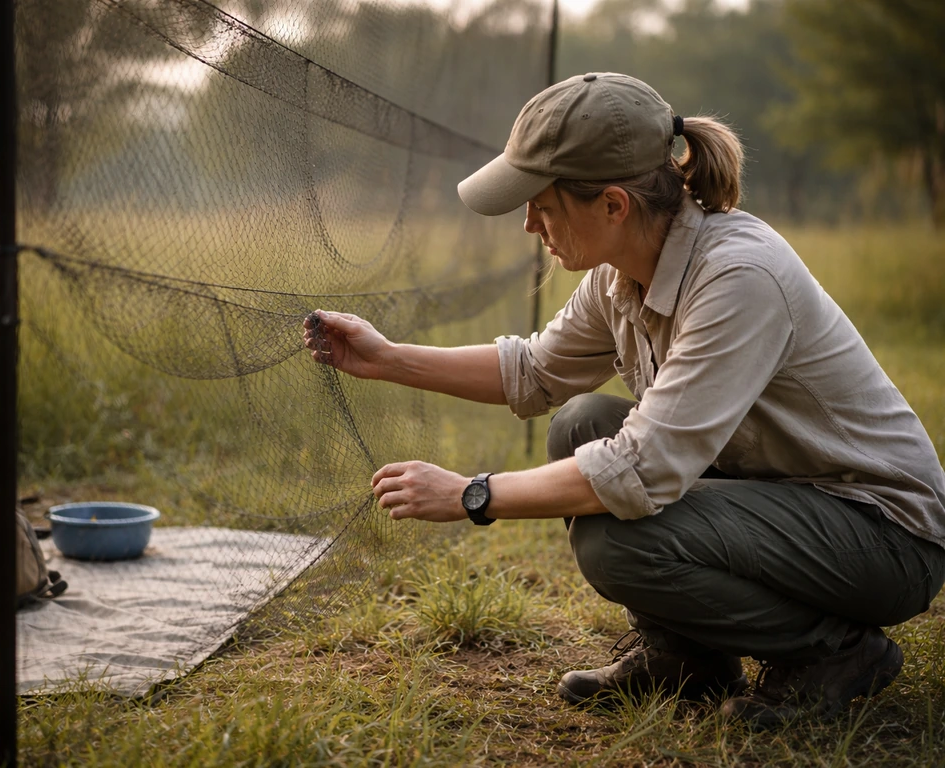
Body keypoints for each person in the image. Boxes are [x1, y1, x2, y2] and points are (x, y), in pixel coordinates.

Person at [302, 72, 945, 727]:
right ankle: (686, 659)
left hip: (881, 535)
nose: (529, 224)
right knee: (580, 423)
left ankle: (837, 654)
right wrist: (386, 359)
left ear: (613, 205)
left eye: (544, 204)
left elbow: (643, 468)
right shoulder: (622, 273)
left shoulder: (737, 278)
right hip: (785, 499)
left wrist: (474, 494)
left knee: (618, 546)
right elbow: (535, 372)